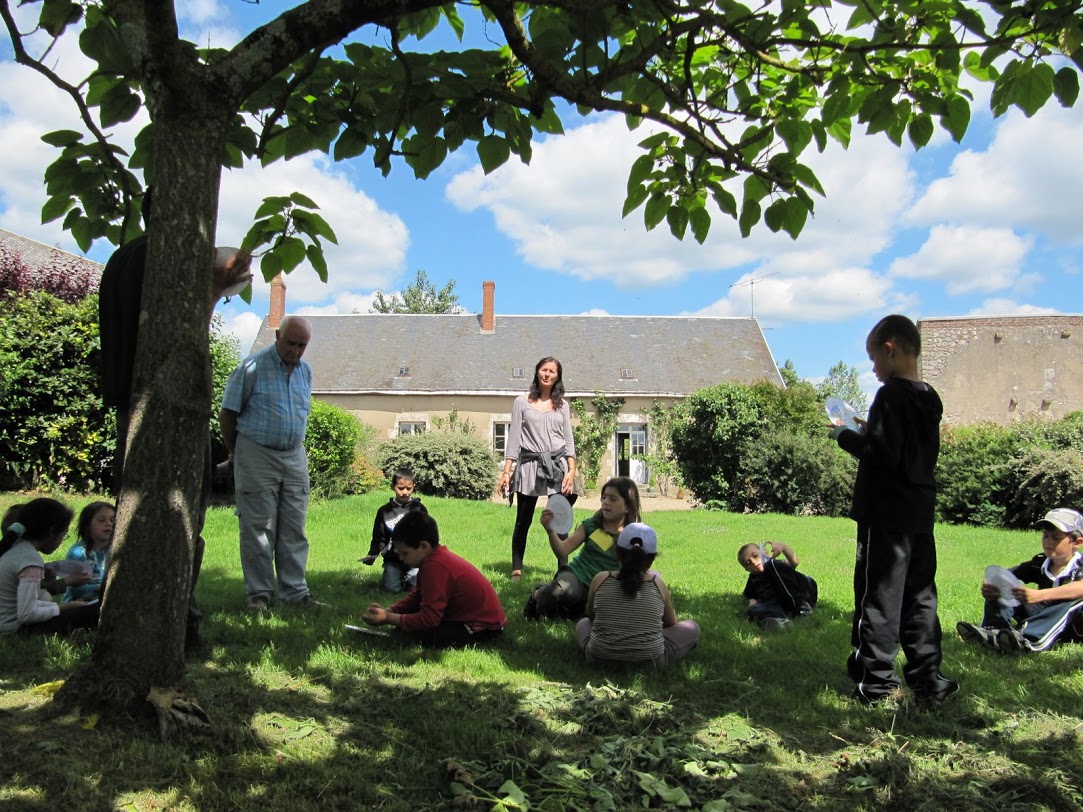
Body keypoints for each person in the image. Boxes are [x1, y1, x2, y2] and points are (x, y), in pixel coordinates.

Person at [99, 187, 253, 648]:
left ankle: (127, 623)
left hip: (130, 405)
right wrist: (215, 286)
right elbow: (182, 339)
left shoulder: (120, 258)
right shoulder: (162, 261)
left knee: (136, 516)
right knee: (181, 519)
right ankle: (179, 626)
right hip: (165, 407)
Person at [830, 314, 957, 707]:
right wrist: (874, 431)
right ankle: (927, 679)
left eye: (874, 359)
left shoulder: (890, 396)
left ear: (891, 349)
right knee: (920, 596)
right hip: (919, 511)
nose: (873, 369)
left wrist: (845, 435)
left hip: (885, 514)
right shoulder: (928, 396)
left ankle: (877, 683)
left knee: (879, 597)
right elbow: (905, 452)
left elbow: (882, 457)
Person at [220, 315, 322, 611]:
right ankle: (260, 595)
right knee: (258, 526)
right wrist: (234, 451)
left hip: (293, 454)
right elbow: (228, 413)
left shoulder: (306, 372)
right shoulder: (251, 367)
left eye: (302, 345)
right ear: (278, 336)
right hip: (256, 453)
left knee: (294, 527)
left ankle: (295, 592)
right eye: (291, 343)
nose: (297, 350)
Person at [362, 512, 506, 648]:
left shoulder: (436, 567)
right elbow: (418, 597)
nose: (401, 558)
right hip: (475, 622)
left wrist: (388, 618)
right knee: (408, 626)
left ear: (423, 546)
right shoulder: (433, 560)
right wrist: (390, 610)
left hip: (482, 629)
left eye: (405, 553)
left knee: (419, 634)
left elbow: (429, 619)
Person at [957, 508, 1083, 653]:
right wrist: (990, 583)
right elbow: (1005, 574)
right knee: (1002, 585)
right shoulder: (1039, 563)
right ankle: (994, 631)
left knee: (1072, 598)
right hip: (1044, 619)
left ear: (1077, 543)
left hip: (1073, 628)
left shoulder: (1080, 566)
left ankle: (1028, 639)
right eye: (1045, 536)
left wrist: (1039, 595)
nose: (1048, 542)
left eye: (1056, 538)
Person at [575, 522, 700, 667]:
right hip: (651, 661)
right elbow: (670, 622)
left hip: (598, 658)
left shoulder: (600, 579)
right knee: (692, 627)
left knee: (583, 624)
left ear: (617, 553)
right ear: (652, 559)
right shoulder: (658, 583)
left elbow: (590, 616)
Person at [497, 357, 577, 581]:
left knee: (560, 516)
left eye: (552, 371)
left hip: (557, 465)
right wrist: (506, 472)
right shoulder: (521, 402)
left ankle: (563, 567)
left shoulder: (563, 406)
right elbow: (513, 440)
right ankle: (516, 568)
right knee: (523, 519)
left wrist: (571, 470)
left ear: (557, 376)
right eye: (544, 369)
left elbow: (568, 439)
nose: (547, 374)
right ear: (537, 372)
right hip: (529, 465)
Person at [524, 477, 641, 621]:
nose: (606, 502)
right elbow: (563, 550)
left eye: (613, 499)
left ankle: (574, 610)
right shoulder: (591, 525)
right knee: (554, 595)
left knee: (582, 616)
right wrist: (550, 530)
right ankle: (539, 592)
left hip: (605, 588)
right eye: (603, 498)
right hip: (577, 577)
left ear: (628, 506)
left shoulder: (633, 536)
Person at [0, 498, 100, 635]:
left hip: (8, 624)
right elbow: (27, 614)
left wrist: (64, 606)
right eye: (64, 535)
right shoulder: (30, 560)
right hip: (16, 629)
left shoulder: (15, 548)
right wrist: (67, 607)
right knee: (94, 611)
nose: (61, 541)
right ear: (52, 531)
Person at [362, 468, 428, 593]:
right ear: (393, 487)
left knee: (415, 590)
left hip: (414, 559)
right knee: (391, 589)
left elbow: (426, 534)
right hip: (393, 559)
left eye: (409, 489)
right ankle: (392, 578)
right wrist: (372, 555)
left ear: (414, 487)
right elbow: (379, 537)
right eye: (400, 488)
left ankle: (410, 580)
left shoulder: (419, 509)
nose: (405, 492)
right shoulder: (384, 511)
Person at [737, 541, 818, 631]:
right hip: (780, 603)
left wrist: (783, 547)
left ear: (764, 551)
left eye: (755, 555)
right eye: (748, 563)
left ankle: (802, 608)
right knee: (754, 609)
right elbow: (749, 596)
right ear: (746, 569)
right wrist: (752, 604)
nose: (754, 562)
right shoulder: (753, 579)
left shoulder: (776, 565)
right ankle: (779, 622)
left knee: (770, 565)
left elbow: (794, 562)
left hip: (803, 593)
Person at [61, 501, 116, 603]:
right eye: (101, 520)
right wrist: (100, 588)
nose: (108, 524)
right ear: (87, 525)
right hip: (78, 605)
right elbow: (75, 590)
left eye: (112, 520)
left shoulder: (116, 550)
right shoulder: (78, 553)